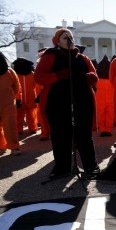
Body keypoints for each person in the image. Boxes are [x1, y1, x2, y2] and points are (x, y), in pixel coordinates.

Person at [34, 28, 99, 178]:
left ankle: (90, 166)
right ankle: (62, 168)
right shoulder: (50, 56)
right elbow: (39, 77)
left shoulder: (82, 58)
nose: (70, 39)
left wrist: (90, 77)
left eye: (71, 37)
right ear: (57, 41)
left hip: (82, 101)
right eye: (65, 37)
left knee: (84, 135)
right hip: (58, 103)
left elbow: (94, 75)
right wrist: (58, 75)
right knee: (60, 136)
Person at [0, 51, 22, 156]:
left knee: (11, 126)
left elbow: (17, 87)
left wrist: (13, 97)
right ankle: (1, 146)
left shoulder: (9, 72)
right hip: (8, 102)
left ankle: (14, 146)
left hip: (8, 104)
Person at [12, 57, 39, 135]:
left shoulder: (32, 74)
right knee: (19, 116)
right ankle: (18, 129)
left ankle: (33, 128)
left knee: (32, 115)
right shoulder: (15, 75)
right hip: (18, 99)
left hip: (31, 98)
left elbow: (36, 85)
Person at [95, 55, 114, 137]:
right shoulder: (111, 76)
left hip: (100, 92)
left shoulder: (98, 78)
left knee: (100, 112)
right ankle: (108, 130)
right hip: (111, 92)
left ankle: (103, 129)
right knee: (110, 112)